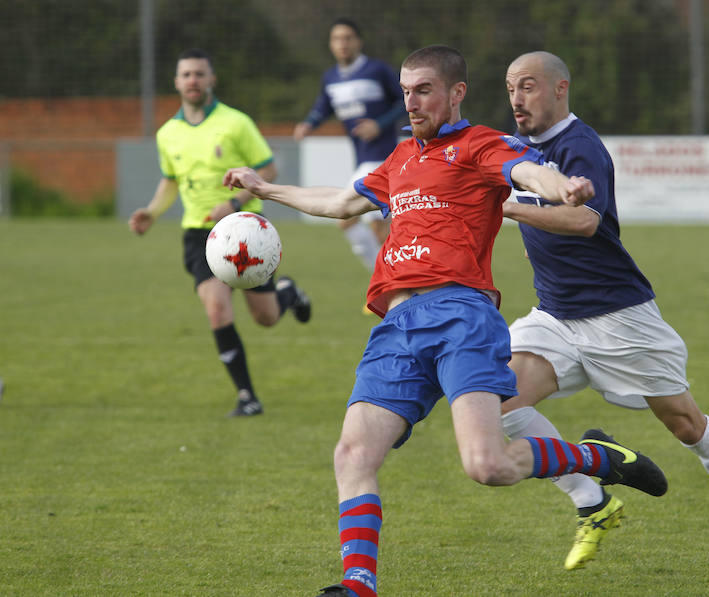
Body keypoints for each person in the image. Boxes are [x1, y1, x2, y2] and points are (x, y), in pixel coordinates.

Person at [225, 45, 668, 597]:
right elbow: (340, 203)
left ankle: (599, 457)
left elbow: (527, 169)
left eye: (424, 90)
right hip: (396, 324)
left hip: (462, 315)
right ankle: (358, 585)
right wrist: (266, 190)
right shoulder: (400, 158)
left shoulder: (480, 144)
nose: (411, 102)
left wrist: (563, 187)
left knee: (488, 465)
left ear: (456, 92)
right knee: (353, 454)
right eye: (406, 92)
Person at [500, 51, 709, 580]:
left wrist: (511, 209)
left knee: (686, 425)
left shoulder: (580, 145)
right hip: (555, 317)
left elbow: (584, 221)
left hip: (618, 316)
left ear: (561, 89)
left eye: (529, 86)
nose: (516, 98)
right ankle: (592, 499)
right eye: (511, 87)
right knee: (497, 400)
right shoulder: (514, 150)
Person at [129, 48, 312, 418]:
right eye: (186, 75)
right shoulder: (168, 133)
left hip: (246, 231)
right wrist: (151, 211)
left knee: (265, 317)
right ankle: (247, 396)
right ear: (177, 82)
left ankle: (287, 293)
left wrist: (235, 202)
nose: (193, 80)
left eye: (199, 74)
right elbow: (170, 181)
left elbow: (269, 169)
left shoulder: (236, 123)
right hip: (200, 235)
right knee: (216, 307)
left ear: (212, 79)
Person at [294, 18, 405, 284]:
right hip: (363, 160)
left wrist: (379, 125)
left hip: (384, 157)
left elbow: (404, 101)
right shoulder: (330, 78)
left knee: (347, 218)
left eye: (347, 38)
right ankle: (395, 282)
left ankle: (387, 282)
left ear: (358, 41)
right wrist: (309, 124)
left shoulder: (377, 70)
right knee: (379, 229)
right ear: (331, 44)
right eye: (337, 39)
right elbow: (324, 106)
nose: (342, 44)